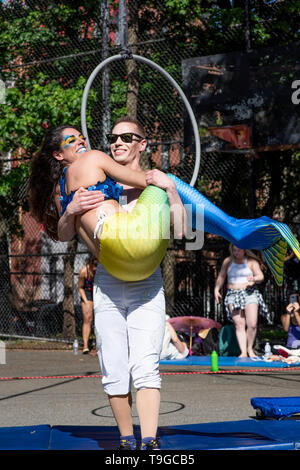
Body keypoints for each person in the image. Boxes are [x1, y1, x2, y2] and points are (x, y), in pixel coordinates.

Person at [28, 117, 186, 451]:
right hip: (111, 275)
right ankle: (128, 441)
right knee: (114, 365)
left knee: (144, 364)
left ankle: (149, 441)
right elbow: (66, 234)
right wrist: (70, 211)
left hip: (141, 272)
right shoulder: (89, 174)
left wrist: (170, 188)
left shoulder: (124, 174)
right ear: (58, 156)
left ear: (142, 144)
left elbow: (182, 230)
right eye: (113, 137)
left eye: (127, 137)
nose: (114, 142)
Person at [214, 244, 269, 358]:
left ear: (244, 250)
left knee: (252, 324)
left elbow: (260, 276)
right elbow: (221, 276)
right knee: (239, 325)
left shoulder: (251, 262)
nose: (236, 253)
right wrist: (216, 289)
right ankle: (243, 351)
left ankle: (250, 349)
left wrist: (254, 279)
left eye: (239, 250)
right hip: (233, 294)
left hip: (249, 293)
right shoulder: (228, 261)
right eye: (234, 250)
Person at [78, 256, 98, 355]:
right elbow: (80, 288)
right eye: (94, 265)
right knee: (87, 318)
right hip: (88, 293)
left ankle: (97, 346)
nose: (96, 268)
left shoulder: (102, 272)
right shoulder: (84, 271)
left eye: (98, 265)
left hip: (100, 293)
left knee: (99, 320)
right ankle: (85, 346)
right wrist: (86, 301)